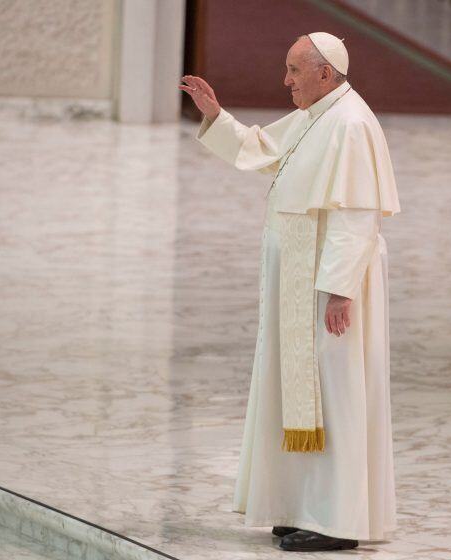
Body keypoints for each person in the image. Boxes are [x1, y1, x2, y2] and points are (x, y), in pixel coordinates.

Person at [179, 32, 400, 552]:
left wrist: (341, 289)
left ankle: (338, 521)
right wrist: (217, 117)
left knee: (336, 393)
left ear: (325, 73)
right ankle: (304, 505)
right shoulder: (319, 114)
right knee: (303, 392)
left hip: (329, 286)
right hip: (305, 279)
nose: (286, 81)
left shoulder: (349, 123)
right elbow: (265, 149)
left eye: (294, 71)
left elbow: (356, 214)